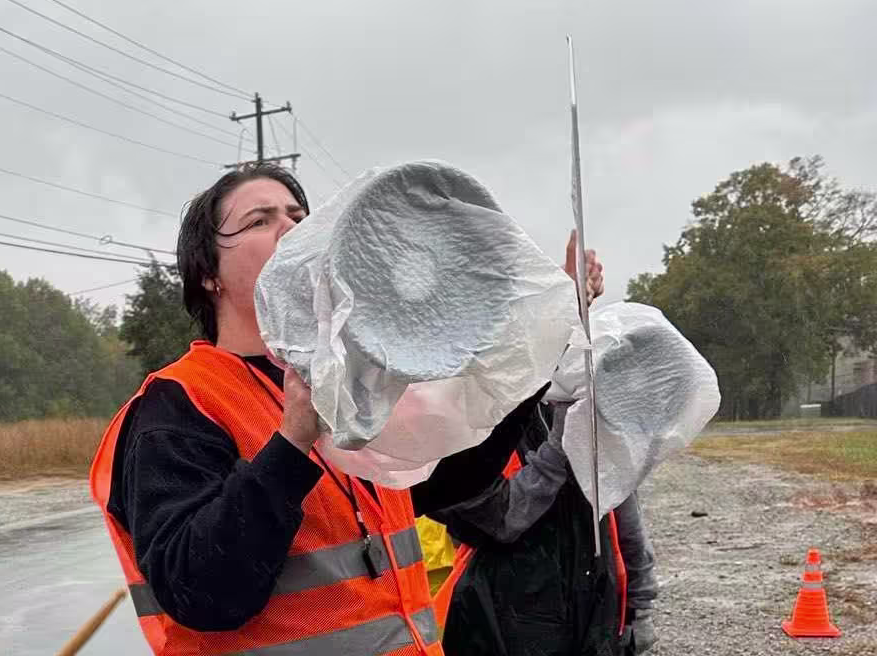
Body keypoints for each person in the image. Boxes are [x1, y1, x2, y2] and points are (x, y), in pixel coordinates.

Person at [88, 162, 605, 655]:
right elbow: (200, 590)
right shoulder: (177, 405)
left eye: (298, 217)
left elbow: (451, 481)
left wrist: (547, 334)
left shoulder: (353, 382)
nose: (289, 229)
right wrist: (292, 441)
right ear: (208, 274)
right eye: (259, 220)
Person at [430, 399, 660, 655]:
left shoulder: (576, 401)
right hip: (501, 616)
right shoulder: (464, 410)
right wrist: (557, 449)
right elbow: (498, 519)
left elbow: (622, 506)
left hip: (594, 605)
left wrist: (640, 605)